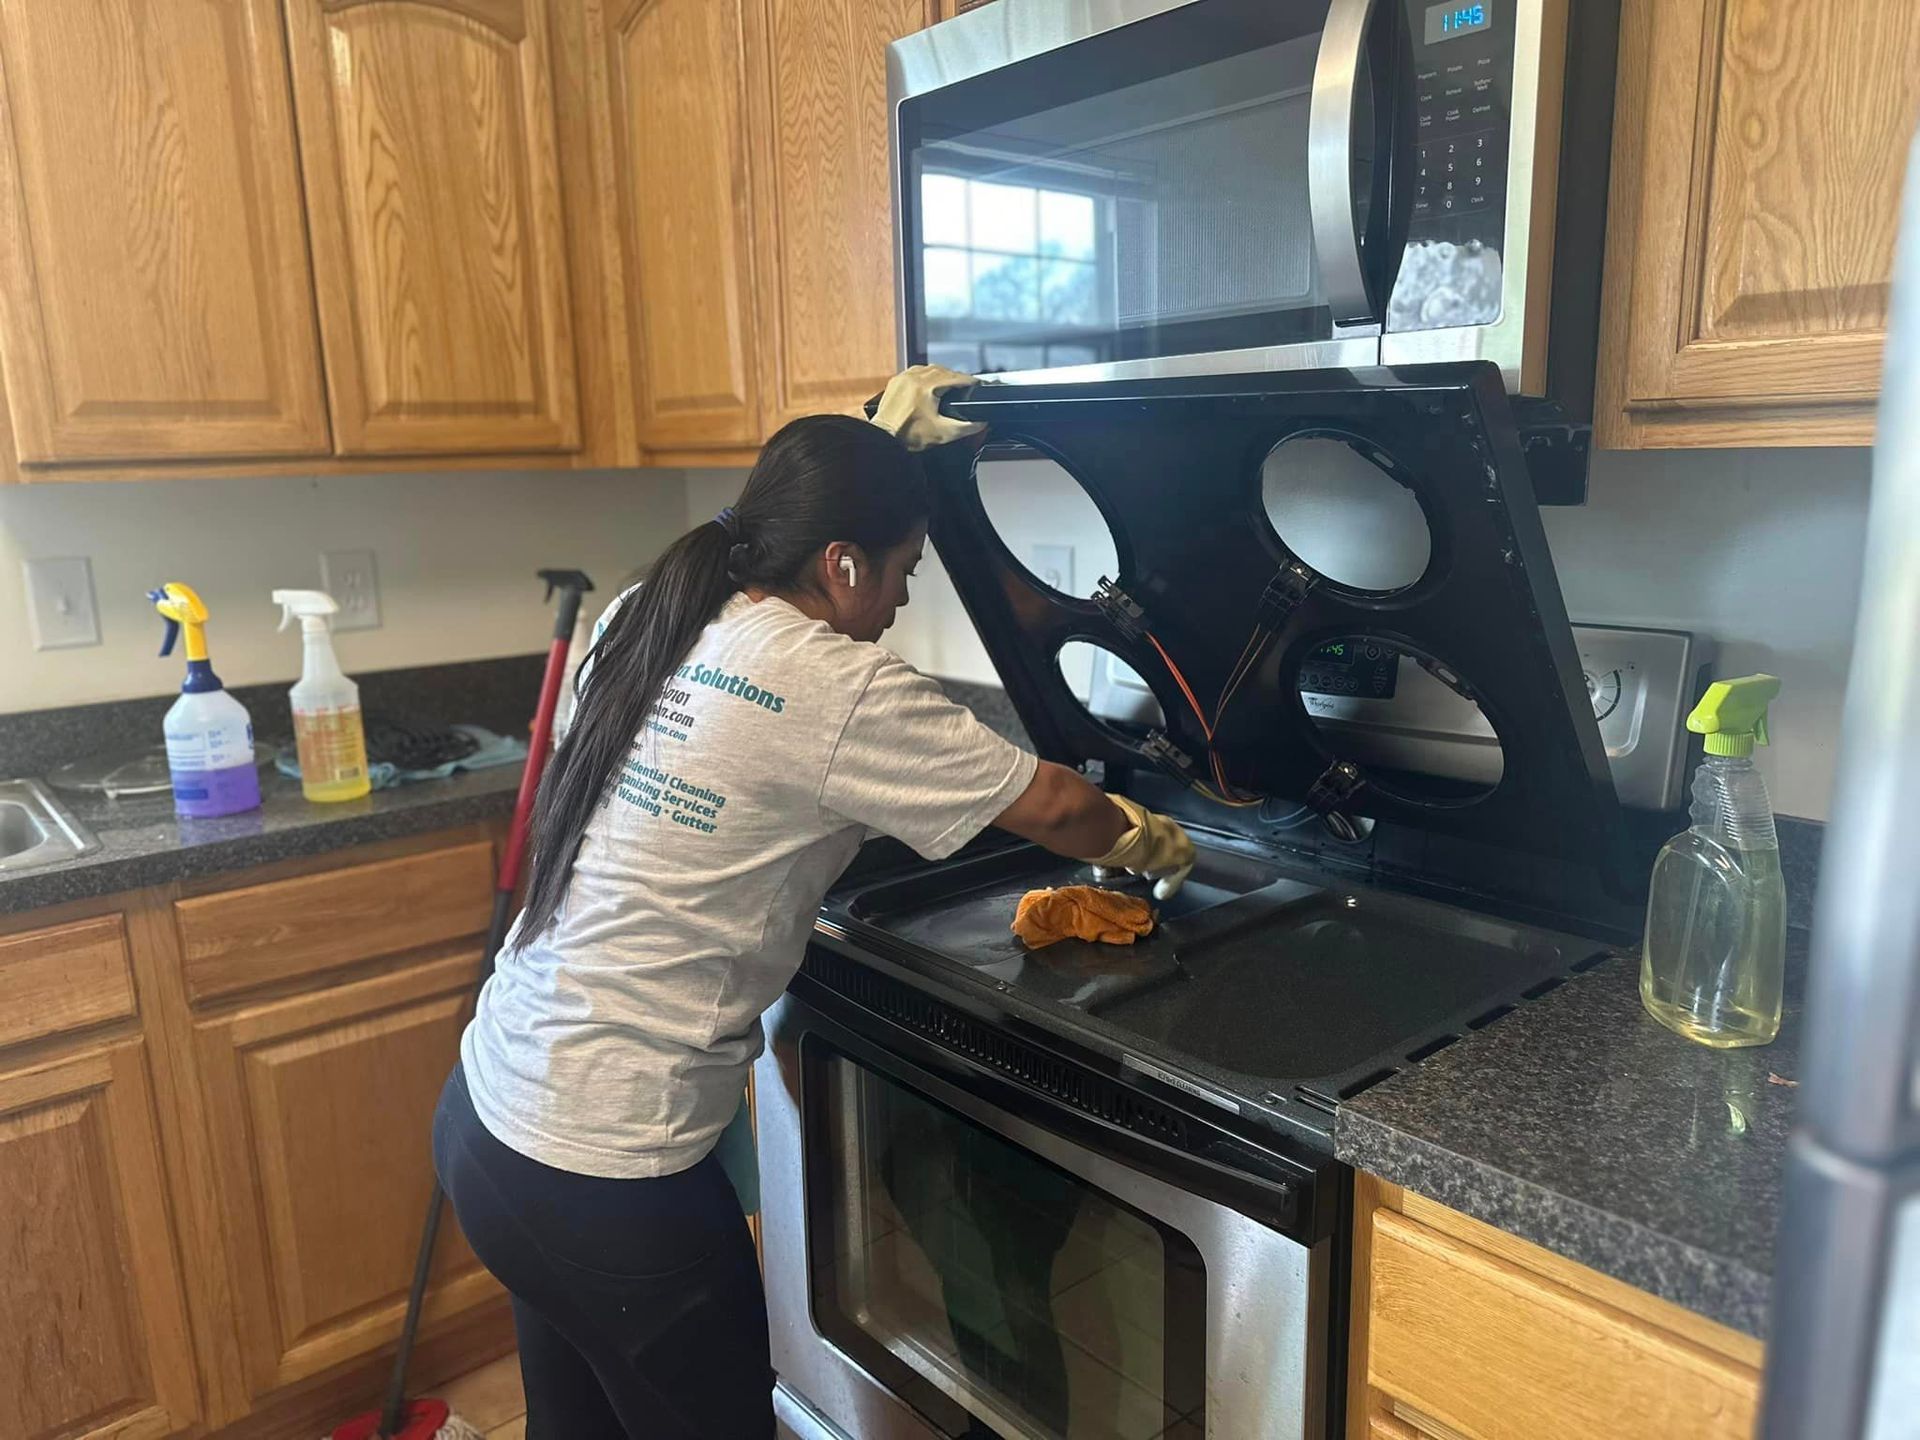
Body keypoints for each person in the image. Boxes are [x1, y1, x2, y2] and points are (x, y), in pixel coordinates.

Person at [431, 367, 1196, 1439]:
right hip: (609, 1178)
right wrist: (1160, 839)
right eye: (902, 571)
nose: (898, 605)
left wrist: (864, 447)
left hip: (489, 1121)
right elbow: (1062, 808)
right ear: (839, 563)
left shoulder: (654, 605)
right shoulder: (834, 686)